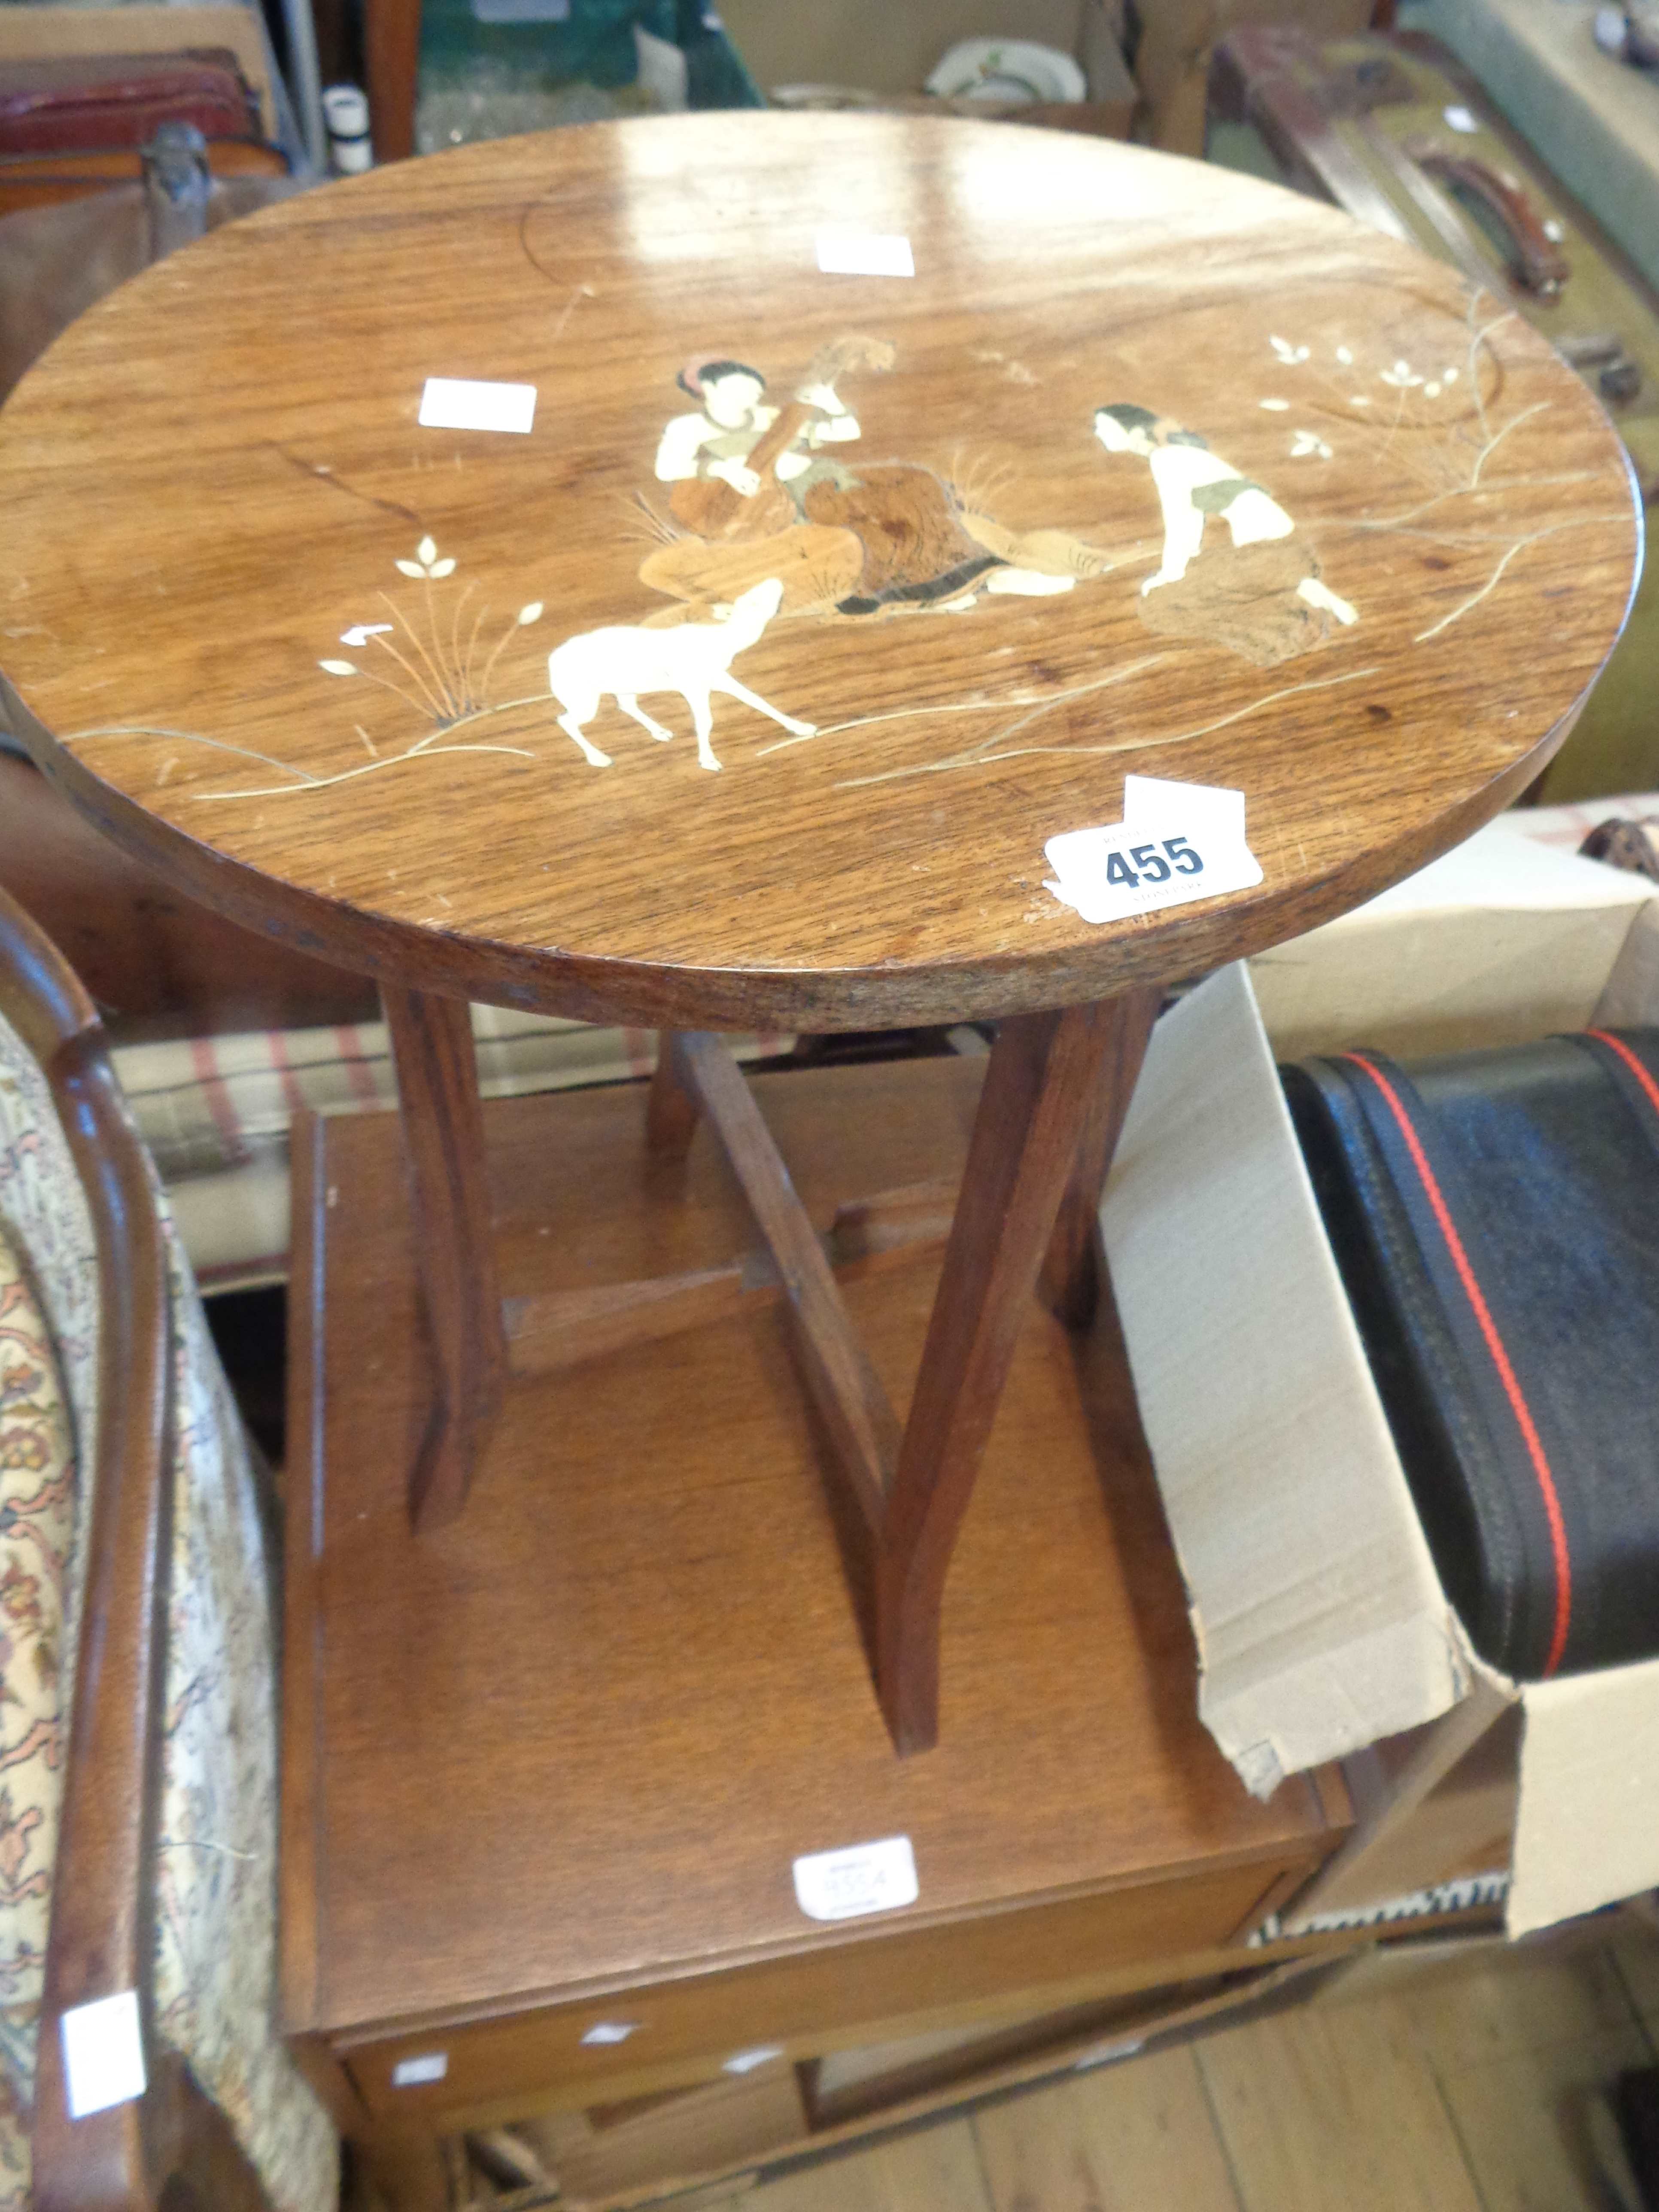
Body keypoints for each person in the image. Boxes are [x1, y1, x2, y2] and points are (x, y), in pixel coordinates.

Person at [1093, 404, 1356, 663]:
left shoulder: (1166, 459)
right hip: (1284, 544)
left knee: (1160, 605)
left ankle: (1293, 606)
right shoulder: (1178, 454)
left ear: (1136, 432)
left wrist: (1169, 575)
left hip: (1269, 550)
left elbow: (1183, 523)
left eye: (1105, 427)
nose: (1097, 433)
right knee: (1193, 581)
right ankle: (1306, 589)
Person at [653, 359, 861, 506]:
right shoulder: (686, 427)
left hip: (803, 487)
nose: (748, 397)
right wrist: (722, 469)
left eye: (754, 392)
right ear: (709, 387)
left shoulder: (767, 416)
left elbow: (848, 433)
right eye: (738, 387)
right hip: (743, 506)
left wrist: (832, 404)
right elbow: (666, 470)